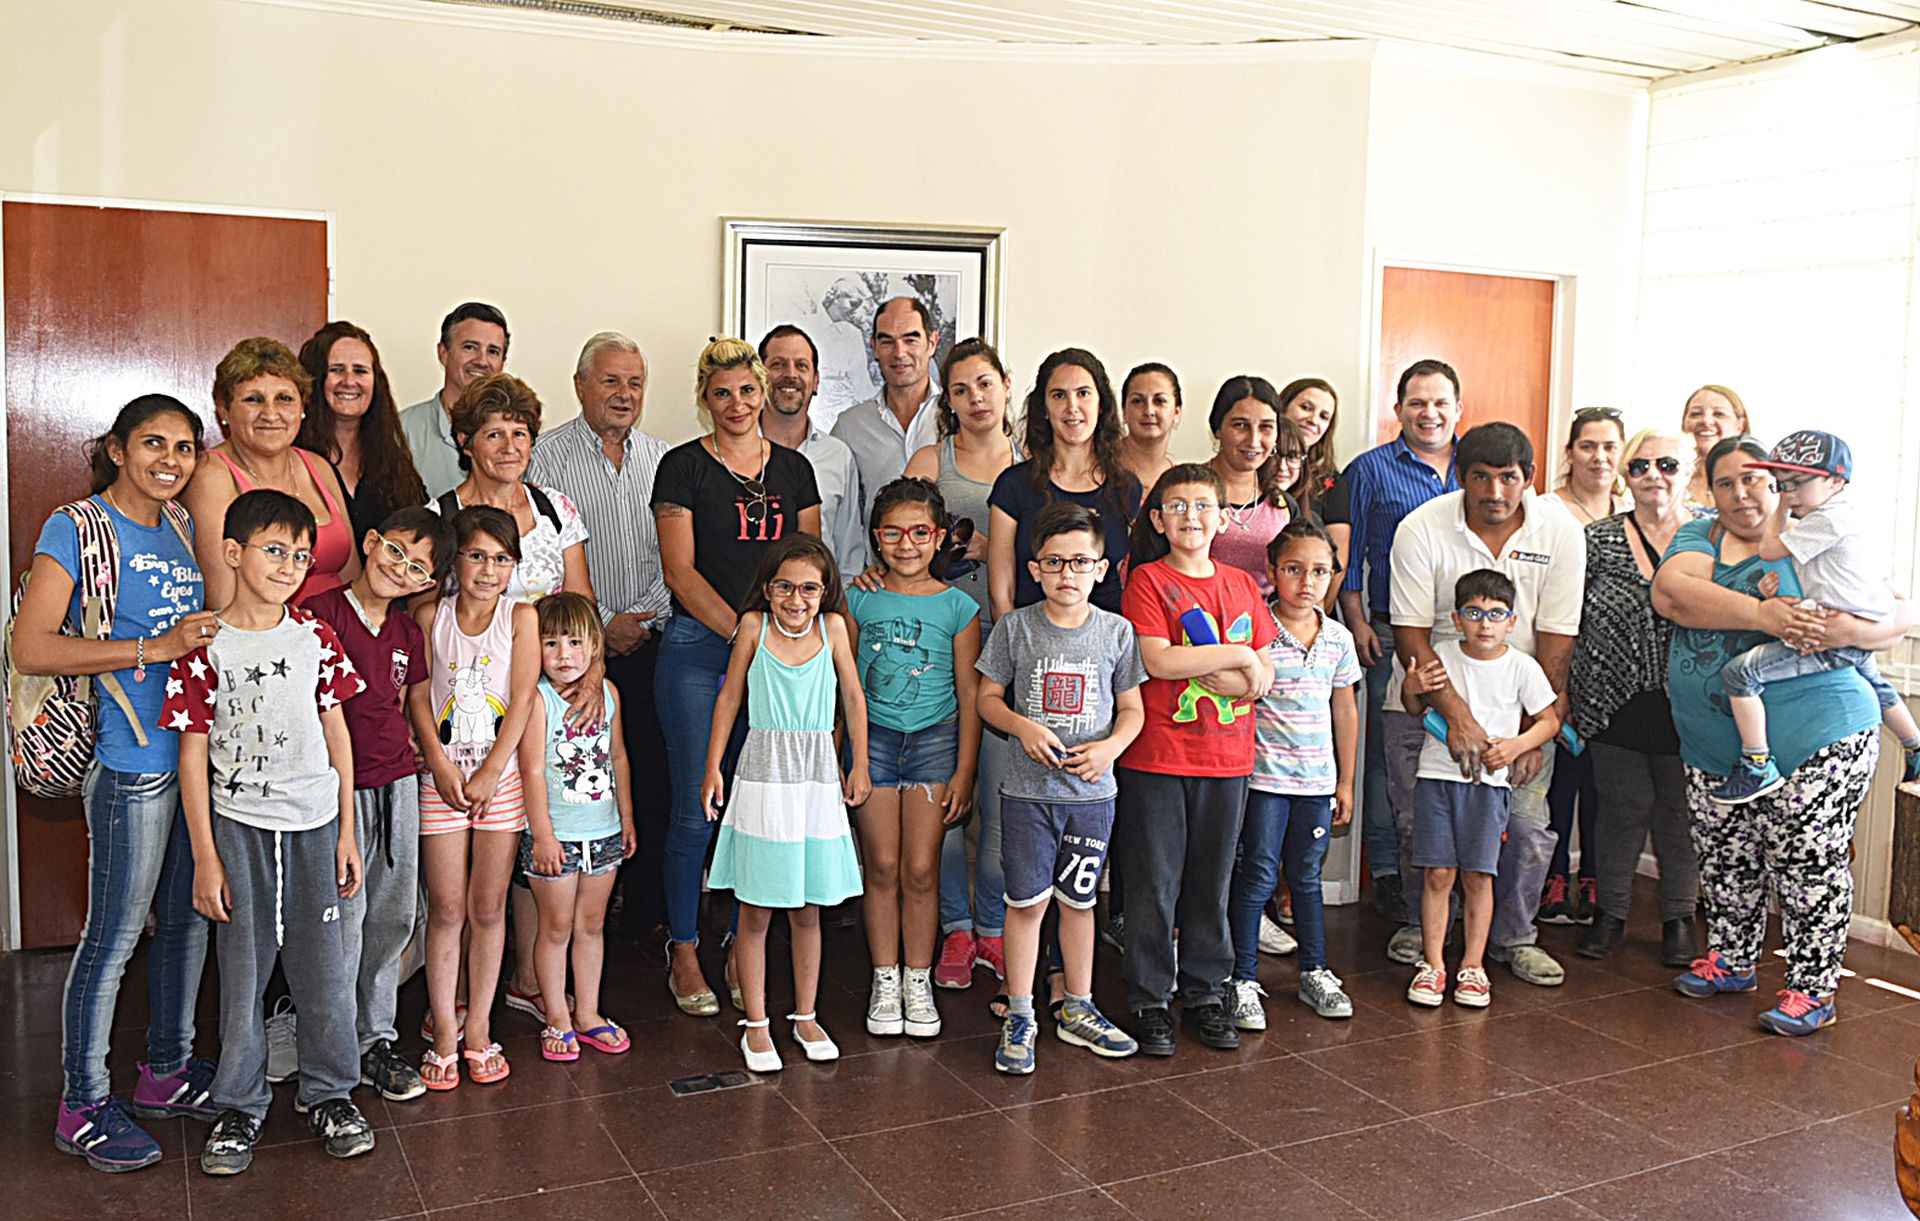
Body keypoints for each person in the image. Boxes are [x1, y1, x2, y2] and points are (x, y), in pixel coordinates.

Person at [17, 397, 220, 1172]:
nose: (170, 459)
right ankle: (83, 1102)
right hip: (129, 762)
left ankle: (166, 1069)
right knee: (112, 938)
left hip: (190, 760)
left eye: (184, 446)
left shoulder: (179, 526)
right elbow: (33, 647)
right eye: (152, 443)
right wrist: (152, 647)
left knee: (186, 924)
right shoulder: (76, 527)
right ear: (115, 448)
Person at [1652, 435, 1910, 1035]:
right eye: (1724, 482)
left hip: (1819, 734)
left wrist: (1847, 630)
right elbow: (1674, 595)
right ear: (1709, 490)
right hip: (1715, 745)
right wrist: (1765, 616)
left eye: (1754, 479)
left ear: (1780, 484)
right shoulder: (1699, 537)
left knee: (1807, 863)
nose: (1740, 493)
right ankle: (1732, 961)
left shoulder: (1823, 534)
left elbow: (1901, 613)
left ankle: (1812, 990)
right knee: (1725, 858)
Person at [164, 490, 373, 1175]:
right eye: (274, 550)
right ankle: (238, 1103)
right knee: (244, 972)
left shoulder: (315, 637)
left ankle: (331, 1092)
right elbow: (192, 755)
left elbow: (338, 733)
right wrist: (205, 857)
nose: (288, 566)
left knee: (325, 970)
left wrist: (347, 829)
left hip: (316, 825)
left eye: (301, 555)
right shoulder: (204, 647)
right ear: (233, 552)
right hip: (240, 830)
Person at [653, 337, 822, 1015]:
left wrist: (776, 644)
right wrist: (744, 636)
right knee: (697, 807)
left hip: (780, 658)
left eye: (747, 390)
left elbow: (809, 563)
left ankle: (734, 942)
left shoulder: (795, 470)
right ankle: (684, 947)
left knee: (756, 810)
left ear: (762, 392)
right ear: (705, 399)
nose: (737, 404)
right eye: (721, 393)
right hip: (701, 650)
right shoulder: (682, 468)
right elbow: (679, 572)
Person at [1385, 422, 1585, 988]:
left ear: (1529, 478)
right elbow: (1411, 634)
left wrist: (1527, 736)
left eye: (1508, 478)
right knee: (1419, 824)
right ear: (1460, 476)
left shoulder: (1561, 532)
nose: (1495, 492)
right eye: (1480, 477)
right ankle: (1425, 933)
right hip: (1426, 708)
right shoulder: (1421, 527)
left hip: (1522, 711)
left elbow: (1557, 640)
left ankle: (1515, 938)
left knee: (1524, 828)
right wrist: (1457, 718)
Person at [976, 502, 1146, 1074]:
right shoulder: (1015, 628)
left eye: (1079, 561)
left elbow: (1132, 710)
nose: (1067, 573)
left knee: (1079, 904)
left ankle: (1078, 1005)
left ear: (1101, 569)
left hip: (1091, 800)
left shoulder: (1117, 632)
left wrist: (1110, 748)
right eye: (1054, 562)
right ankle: (1021, 1011)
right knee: (1026, 904)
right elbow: (987, 699)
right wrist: (1021, 726)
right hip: (1028, 797)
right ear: (1035, 569)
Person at [1117, 464, 1277, 1056]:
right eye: (1178, 506)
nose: (1191, 516)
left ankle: (1206, 992)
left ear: (1223, 517)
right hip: (1158, 757)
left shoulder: (1241, 583)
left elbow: (1266, 671)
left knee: (1212, 882)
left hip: (1228, 760)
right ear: (1158, 520)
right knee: (1154, 883)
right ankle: (1150, 998)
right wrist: (1239, 658)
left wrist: (1246, 670)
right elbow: (1159, 660)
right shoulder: (1148, 579)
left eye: (1203, 505)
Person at [703, 536, 869, 1071]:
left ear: (825, 591)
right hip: (764, 775)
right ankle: (755, 1023)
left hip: (816, 778)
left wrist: (859, 763)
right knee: (755, 907)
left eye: (809, 589)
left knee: (807, 907)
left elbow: (853, 697)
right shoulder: (753, 627)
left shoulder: (834, 628)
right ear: (768, 588)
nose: (797, 599)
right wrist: (712, 766)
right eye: (785, 587)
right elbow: (730, 697)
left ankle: (805, 1015)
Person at [529, 331, 674, 938]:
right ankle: (574, 913)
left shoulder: (665, 458)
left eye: (635, 382)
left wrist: (640, 617)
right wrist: (604, 625)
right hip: (577, 654)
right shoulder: (545, 457)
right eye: (610, 380)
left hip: (656, 640)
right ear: (580, 385)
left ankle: (643, 919)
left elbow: (678, 555)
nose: (624, 394)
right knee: (576, 778)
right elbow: (545, 558)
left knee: (651, 776)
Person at [303, 508, 450, 1104]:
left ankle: (375, 1039)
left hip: (398, 786)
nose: (400, 569)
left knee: (393, 918)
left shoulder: (408, 635)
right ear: (370, 543)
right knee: (342, 922)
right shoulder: (319, 614)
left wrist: (425, 753)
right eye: (395, 551)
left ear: (427, 583)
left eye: (417, 568)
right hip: (337, 791)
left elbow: (413, 703)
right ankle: (330, 1048)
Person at [407, 506, 541, 1088]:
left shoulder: (521, 617)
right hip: (440, 781)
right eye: (477, 555)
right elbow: (417, 695)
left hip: (499, 782)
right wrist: (439, 764)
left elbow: (523, 697)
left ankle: (480, 1029)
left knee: (488, 909)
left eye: (502, 559)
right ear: (454, 561)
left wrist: (490, 772)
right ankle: (444, 1030)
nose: (489, 570)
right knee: (446, 908)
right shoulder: (428, 615)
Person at [1712, 430, 1920, 800]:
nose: (1789, 493)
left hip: (1834, 635)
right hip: (1855, 622)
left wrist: (1780, 507)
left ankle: (1757, 762)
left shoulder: (1827, 520)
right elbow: (1828, 579)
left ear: (1837, 481)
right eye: (1781, 483)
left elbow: (1769, 549)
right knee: (1877, 684)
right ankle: (1915, 747)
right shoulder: (1843, 517)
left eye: (1797, 482)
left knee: (1738, 674)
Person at [1327, 359, 1462, 926]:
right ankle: (1387, 870)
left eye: (1440, 403)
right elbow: (1349, 554)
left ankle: (1456, 874)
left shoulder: (1479, 468)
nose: (1429, 413)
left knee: (1457, 747)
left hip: (1469, 635)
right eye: (1417, 403)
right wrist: (1356, 620)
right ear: (1398, 408)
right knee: (1390, 756)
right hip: (1389, 630)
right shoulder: (1370, 470)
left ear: (1458, 408)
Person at [903, 338, 1021, 989]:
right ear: (946, 400)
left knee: (1002, 797)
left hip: (1008, 647)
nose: (976, 398)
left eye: (985, 383)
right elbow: (902, 541)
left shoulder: (1032, 465)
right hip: (936, 646)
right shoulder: (931, 461)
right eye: (960, 389)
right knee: (943, 798)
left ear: (1006, 385)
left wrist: (995, 547)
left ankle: (993, 929)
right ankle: (955, 926)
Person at [845, 480, 982, 1036]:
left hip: (935, 743)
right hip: (873, 742)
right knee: (881, 866)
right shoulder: (857, 599)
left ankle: (918, 979)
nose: (906, 544)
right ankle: (885, 978)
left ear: (940, 536)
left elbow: (970, 693)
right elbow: (844, 686)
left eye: (920, 532)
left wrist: (965, 771)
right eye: (893, 533)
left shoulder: (960, 607)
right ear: (876, 537)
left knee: (922, 869)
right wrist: (847, 756)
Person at [1399, 570, 1560, 1009]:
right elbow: (1414, 706)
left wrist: (1515, 746)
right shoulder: (1442, 658)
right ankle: (1433, 964)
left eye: (1495, 614)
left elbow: (1549, 721)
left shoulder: (1522, 666)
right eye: (1473, 613)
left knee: (1477, 875)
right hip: (1437, 779)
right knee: (1438, 873)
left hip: (1488, 788)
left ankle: (1472, 965)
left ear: (1512, 621)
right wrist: (1411, 688)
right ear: (1456, 619)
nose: (1484, 624)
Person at [1570, 429, 1701, 965]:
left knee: (1679, 814)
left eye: (1666, 464)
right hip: (1611, 696)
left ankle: (1679, 920)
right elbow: (1569, 616)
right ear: (1626, 476)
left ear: (1689, 471)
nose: (1653, 476)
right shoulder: (1597, 538)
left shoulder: (1708, 537)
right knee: (1620, 810)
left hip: (1690, 701)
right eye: (1640, 466)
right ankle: (1611, 914)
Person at [1226, 521, 1361, 1027]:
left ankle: (1315, 971)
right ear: (1271, 570)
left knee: (1305, 876)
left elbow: (1345, 709)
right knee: (1258, 874)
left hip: (1316, 783)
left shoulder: (1338, 639)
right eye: (1294, 569)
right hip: (1263, 782)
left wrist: (1345, 781)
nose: (1307, 582)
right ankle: (1241, 979)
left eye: (1320, 571)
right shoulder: (1254, 629)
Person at [517, 593, 636, 1064]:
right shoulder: (537, 700)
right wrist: (543, 835)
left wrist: (626, 817)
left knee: (591, 925)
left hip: (603, 833)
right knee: (555, 928)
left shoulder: (608, 694)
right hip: (556, 837)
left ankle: (587, 1012)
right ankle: (557, 1017)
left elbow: (619, 757)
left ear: (595, 647)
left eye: (574, 642)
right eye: (551, 643)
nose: (564, 654)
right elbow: (530, 770)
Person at [184, 337, 360, 608]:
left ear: (302, 408)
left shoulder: (318, 466)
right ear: (223, 410)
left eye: (284, 399)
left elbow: (354, 579)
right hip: (270, 633)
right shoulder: (210, 474)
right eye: (254, 400)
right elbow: (224, 601)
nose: (270, 413)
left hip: (339, 628)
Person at [1539, 406, 1628, 924]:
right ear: (1570, 452)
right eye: (1588, 446)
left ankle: (1593, 875)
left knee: (1603, 782)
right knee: (1559, 776)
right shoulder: (1546, 511)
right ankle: (1551, 877)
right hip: (1559, 662)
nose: (1599, 457)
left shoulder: (1633, 511)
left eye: (1609, 447)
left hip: (1613, 671)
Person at [988, 348, 1141, 618]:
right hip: (1030, 638)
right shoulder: (1013, 486)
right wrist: (1013, 642)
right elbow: (1001, 594)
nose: (1072, 407)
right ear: (1044, 409)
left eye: (1083, 393)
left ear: (1101, 404)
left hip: (1106, 639)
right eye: (1059, 395)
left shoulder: (1126, 487)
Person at [295, 320, 428, 543]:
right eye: (336, 370)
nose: (349, 381)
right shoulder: (293, 459)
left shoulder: (393, 463)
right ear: (314, 379)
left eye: (360, 371)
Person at [761, 324, 867, 582]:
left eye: (801, 366)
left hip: (817, 602)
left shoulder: (838, 456)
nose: (790, 374)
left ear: (816, 381)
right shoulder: (733, 453)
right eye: (777, 365)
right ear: (759, 377)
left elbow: (848, 555)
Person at [831, 296, 942, 521]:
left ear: (932, 343)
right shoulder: (849, 427)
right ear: (874, 347)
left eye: (910, 340)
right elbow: (838, 517)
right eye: (887, 341)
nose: (899, 352)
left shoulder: (959, 418)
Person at [399, 302, 509, 499]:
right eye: (470, 347)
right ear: (443, 353)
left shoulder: (517, 437)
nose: (482, 361)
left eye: (493, 351)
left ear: (502, 363)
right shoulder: (403, 431)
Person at [1205, 375, 1300, 596]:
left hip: (1264, 616)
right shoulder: (1183, 489)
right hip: (1192, 615)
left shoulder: (1282, 505)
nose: (1254, 440)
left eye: (1266, 427)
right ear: (1217, 428)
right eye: (1240, 425)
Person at [1678, 384, 1748, 514]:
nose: (1706, 421)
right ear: (1684, 424)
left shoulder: (1756, 478)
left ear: (1740, 426)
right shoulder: (1670, 477)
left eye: (1719, 414)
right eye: (1696, 414)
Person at [1279, 377, 1340, 520]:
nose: (1313, 420)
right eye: (1306, 408)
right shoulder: (1251, 462)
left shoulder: (1332, 481)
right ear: (1283, 406)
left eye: (1324, 416)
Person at [1118, 363, 1183, 492]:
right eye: (1138, 401)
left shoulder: (1181, 482)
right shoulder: (1098, 469)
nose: (1149, 411)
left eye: (1159, 401)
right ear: (1124, 411)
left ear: (1177, 411)